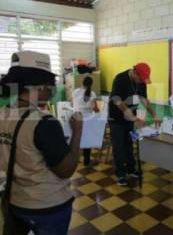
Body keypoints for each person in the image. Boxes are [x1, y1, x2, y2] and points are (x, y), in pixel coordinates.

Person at [0, 51, 83, 235]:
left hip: (14, 201)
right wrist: (77, 132)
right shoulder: (44, 122)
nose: (52, 90)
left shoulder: (2, 114)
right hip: (47, 206)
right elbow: (65, 170)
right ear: (39, 86)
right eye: (51, 85)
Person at [109, 63, 161, 186]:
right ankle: (120, 174)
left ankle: (131, 169)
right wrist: (133, 118)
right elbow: (118, 101)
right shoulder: (120, 79)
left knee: (129, 144)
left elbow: (144, 99)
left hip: (130, 117)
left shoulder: (141, 81)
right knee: (119, 146)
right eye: (140, 79)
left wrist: (154, 114)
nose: (141, 82)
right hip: (116, 117)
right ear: (134, 72)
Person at [72, 76, 99, 167]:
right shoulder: (92, 93)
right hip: (87, 120)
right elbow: (94, 108)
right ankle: (87, 161)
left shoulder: (75, 91)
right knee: (87, 141)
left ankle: (74, 159)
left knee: (77, 139)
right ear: (91, 84)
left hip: (75, 119)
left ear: (82, 83)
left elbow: (73, 104)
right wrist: (99, 111)